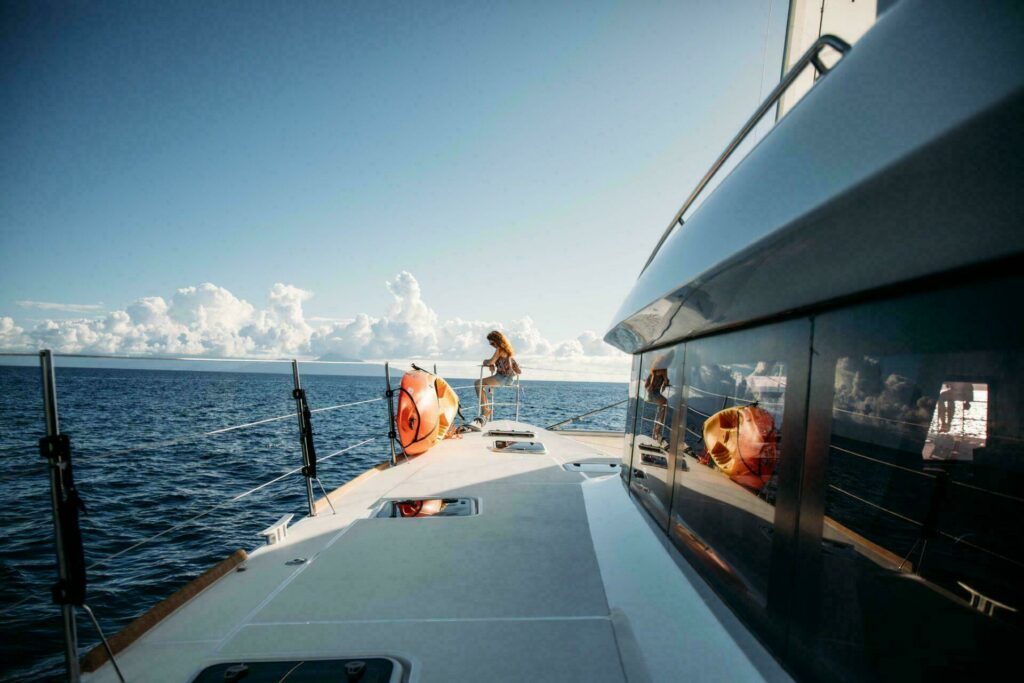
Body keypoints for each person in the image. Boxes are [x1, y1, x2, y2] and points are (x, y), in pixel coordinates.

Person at [470, 330, 520, 428]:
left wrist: (486, 362)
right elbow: (495, 361)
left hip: (503, 378)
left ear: (497, 340)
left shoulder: (499, 349)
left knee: (477, 383)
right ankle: (486, 410)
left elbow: (490, 361)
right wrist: (492, 364)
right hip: (506, 377)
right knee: (480, 384)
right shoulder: (504, 349)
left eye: (492, 342)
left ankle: (486, 410)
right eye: (490, 343)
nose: (491, 345)